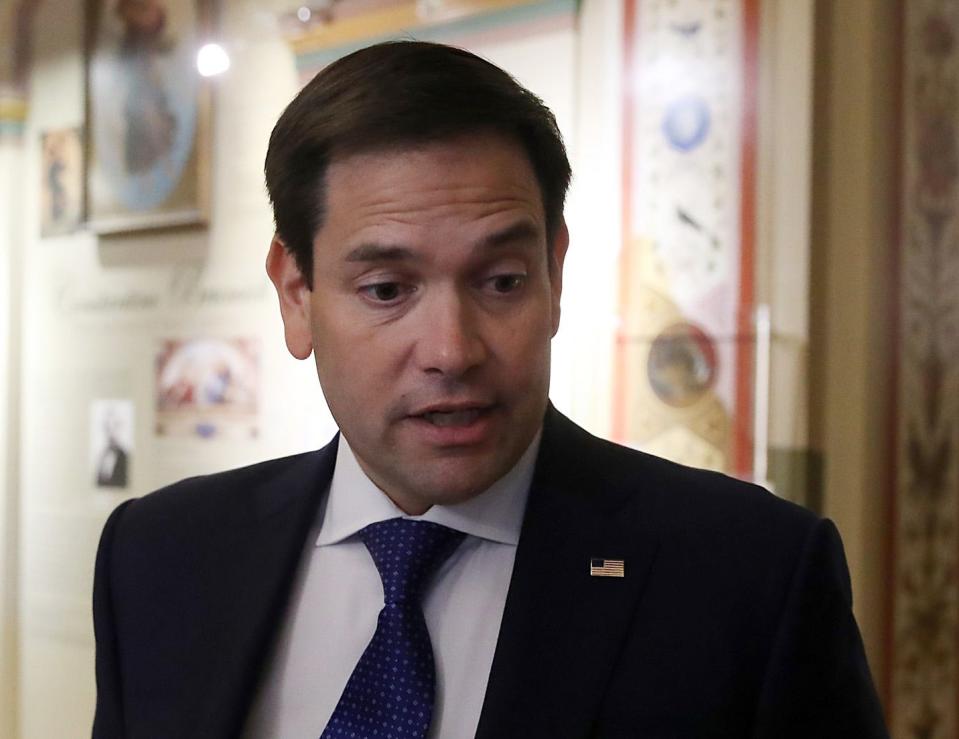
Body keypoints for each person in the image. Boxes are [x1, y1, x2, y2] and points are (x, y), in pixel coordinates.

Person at [92, 41, 889, 739]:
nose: (452, 350)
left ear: (554, 272)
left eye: (502, 280)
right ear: (296, 294)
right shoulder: (161, 557)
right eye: (385, 289)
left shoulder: (747, 576)